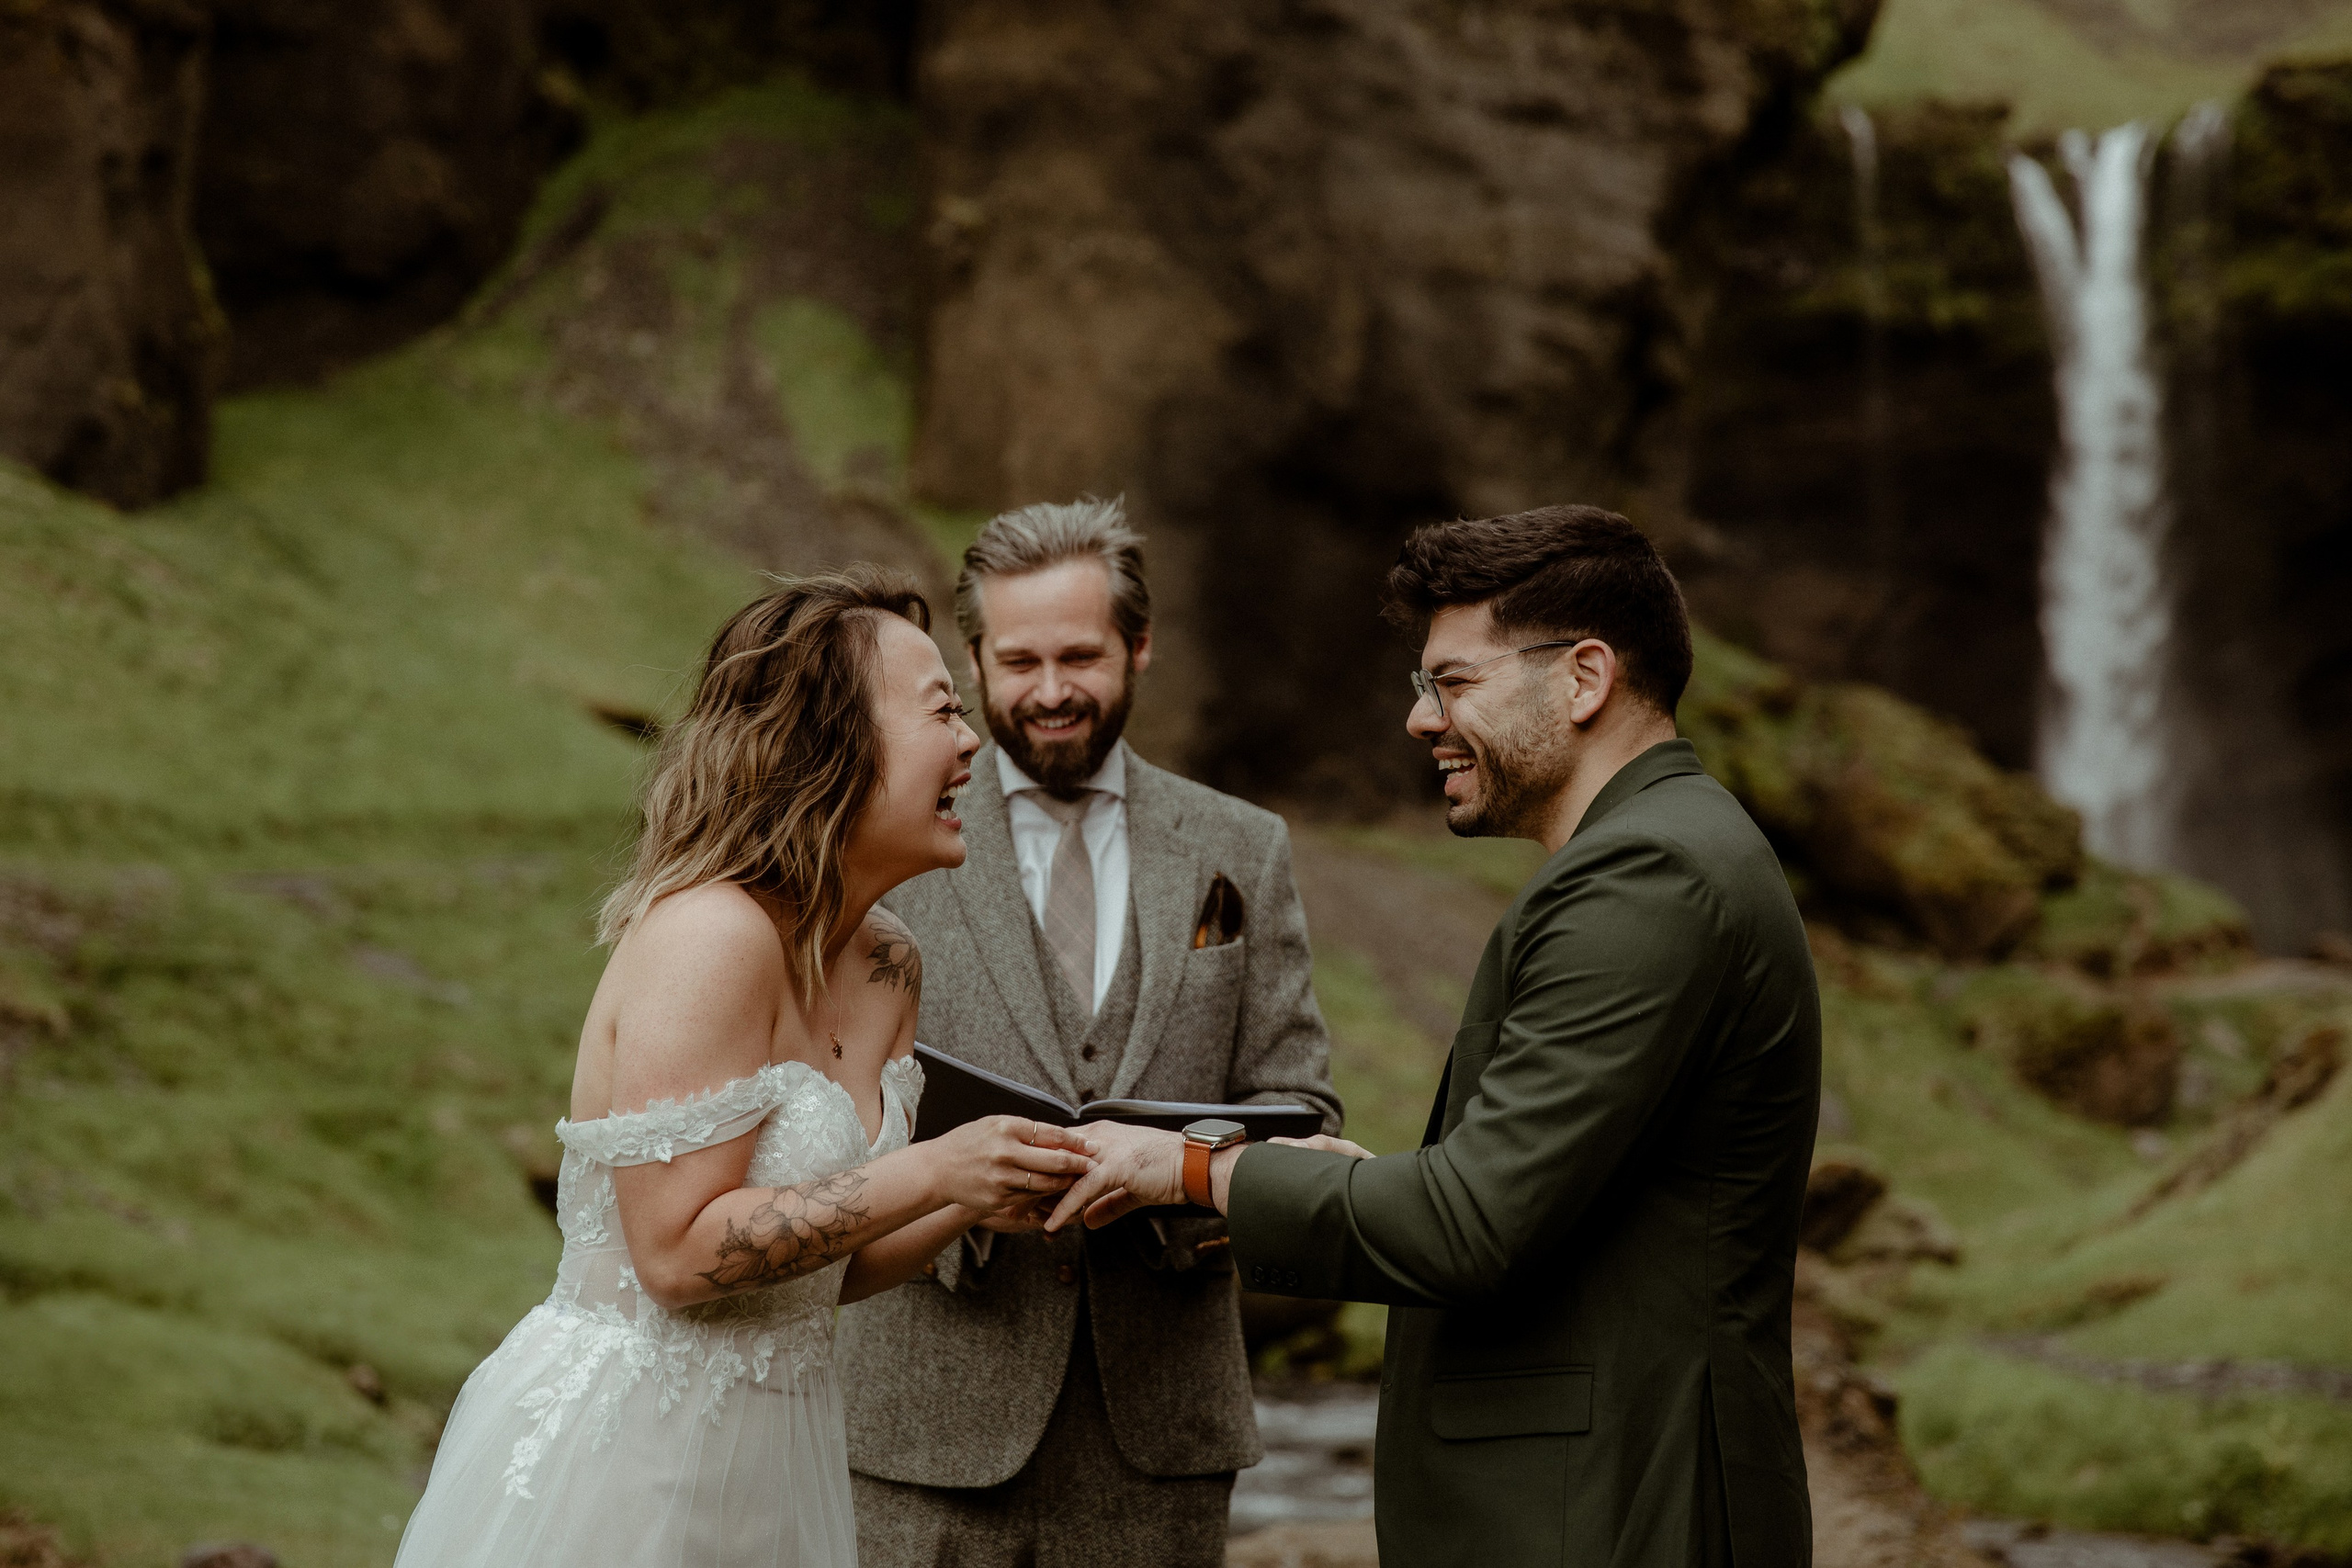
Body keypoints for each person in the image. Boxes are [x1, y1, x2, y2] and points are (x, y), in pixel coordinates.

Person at [1046, 506, 1823, 1567]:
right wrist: (1371, 1183)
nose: (1420, 720)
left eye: (1451, 682)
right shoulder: (1665, 853)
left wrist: (1187, 1168)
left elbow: (1472, 1227)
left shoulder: (1648, 876)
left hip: (1618, 1509)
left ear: (1584, 679)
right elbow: (1541, 1200)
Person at [393, 569, 1097, 1568]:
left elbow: (819, 1272)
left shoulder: (889, 960)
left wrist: (980, 1196)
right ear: (833, 741)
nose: (973, 742)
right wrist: (935, 1171)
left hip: (784, 1458)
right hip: (628, 1466)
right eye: (944, 710)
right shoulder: (711, 937)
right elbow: (678, 1257)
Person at [837, 498, 1341, 1568]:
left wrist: (1179, 1183)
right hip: (921, 1423)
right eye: (1020, 660)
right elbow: (825, 1099)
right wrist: (953, 1196)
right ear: (973, 662)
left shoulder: (1240, 848)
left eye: (1081, 655)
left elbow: (1303, 1110)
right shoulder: (880, 841)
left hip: (1160, 1434)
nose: (1052, 691)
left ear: (1139, 648)